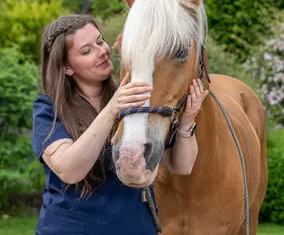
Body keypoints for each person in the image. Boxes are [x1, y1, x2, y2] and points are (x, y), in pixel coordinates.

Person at [31, 14, 208, 235]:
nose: (102, 51)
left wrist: (187, 122)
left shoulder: (135, 102)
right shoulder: (49, 110)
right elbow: (69, 170)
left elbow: (181, 165)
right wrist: (113, 109)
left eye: (100, 41)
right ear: (67, 67)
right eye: (86, 51)